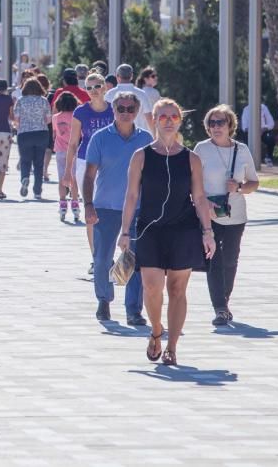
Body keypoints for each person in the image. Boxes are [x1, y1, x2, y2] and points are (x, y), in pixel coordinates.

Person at [118, 99, 215, 364]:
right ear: (154, 121)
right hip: (149, 228)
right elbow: (131, 196)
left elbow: (200, 196)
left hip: (183, 229)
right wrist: (124, 231)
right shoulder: (142, 156)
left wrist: (208, 232)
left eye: (173, 116)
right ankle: (156, 330)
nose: (169, 121)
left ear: (180, 121)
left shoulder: (191, 158)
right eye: (163, 117)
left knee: (177, 289)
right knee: (151, 287)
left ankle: (172, 346)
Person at [82, 91, 153, 325]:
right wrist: (89, 205)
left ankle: (134, 310)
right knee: (102, 259)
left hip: (137, 210)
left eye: (130, 109)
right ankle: (104, 300)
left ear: (137, 111)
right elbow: (89, 175)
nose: (125, 113)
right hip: (105, 208)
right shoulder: (100, 138)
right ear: (113, 110)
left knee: (134, 260)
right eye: (120, 108)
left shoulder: (145, 139)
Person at [194, 105, 259, 326]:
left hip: (236, 215)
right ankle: (220, 308)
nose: (216, 127)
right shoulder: (201, 149)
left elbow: (254, 182)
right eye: (211, 123)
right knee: (213, 260)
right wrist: (205, 202)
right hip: (209, 214)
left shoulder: (241, 150)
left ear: (230, 125)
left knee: (230, 260)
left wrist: (239, 188)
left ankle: (225, 301)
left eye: (220, 122)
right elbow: (194, 183)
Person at [13, 78, 52, 199]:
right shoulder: (44, 101)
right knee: (39, 163)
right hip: (41, 133)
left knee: (25, 160)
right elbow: (49, 119)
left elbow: (16, 118)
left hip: (24, 133)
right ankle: (37, 191)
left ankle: (25, 177)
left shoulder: (20, 101)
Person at [52, 91, 81, 221]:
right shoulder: (77, 117)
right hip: (74, 150)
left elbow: (55, 133)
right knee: (74, 178)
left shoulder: (55, 118)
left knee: (62, 178)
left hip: (60, 150)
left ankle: (63, 204)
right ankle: (75, 203)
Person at [104, 64, 154, 132]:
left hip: (115, 135)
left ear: (117, 77)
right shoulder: (142, 94)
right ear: (131, 76)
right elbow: (149, 117)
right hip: (139, 136)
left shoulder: (109, 94)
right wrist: (154, 135)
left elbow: (105, 116)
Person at [240, 102, 277, 166]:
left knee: (270, 139)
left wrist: (263, 129)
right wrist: (253, 131)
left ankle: (269, 158)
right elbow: (244, 127)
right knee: (246, 140)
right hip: (250, 133)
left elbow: (271, 123)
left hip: (263, 131)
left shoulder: (263, 108)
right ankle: (248, 160)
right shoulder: (246, 109)